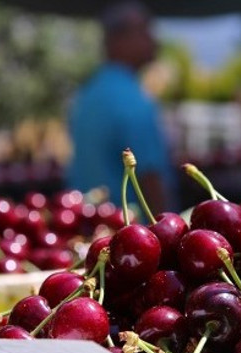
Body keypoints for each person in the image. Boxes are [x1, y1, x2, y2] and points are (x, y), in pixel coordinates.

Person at [67, 1, 174, 214]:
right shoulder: (132, 100)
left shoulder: (86, 95)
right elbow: (150, 178)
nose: (154, 40)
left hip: (91, 229)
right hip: (132, 237)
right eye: (145, 31)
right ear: (117, 40)